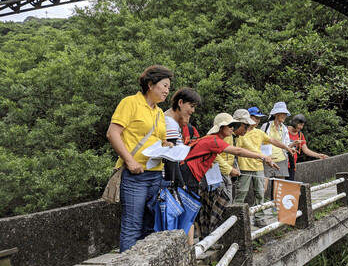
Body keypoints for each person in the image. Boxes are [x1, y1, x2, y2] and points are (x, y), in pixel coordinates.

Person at [179, 113, 278, 243]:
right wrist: (262, 157)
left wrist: (263, 157)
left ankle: (202, 240)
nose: (232, 128)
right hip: (188, 173)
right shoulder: (214, 140)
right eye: (230, 125)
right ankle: (191, 247)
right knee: (191, 209)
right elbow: (238, 151)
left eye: (234, 125)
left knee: (198, 208)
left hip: (193, 174)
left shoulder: (215, 139)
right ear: (221, 127)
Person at [106, 65, 173, 252]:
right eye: (164, 86)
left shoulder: (159, 112)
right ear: (150, 85)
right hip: (135, 175)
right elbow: (113, 133)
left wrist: (167, 146)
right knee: (132, 226)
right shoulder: (130, 103)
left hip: (155, 174)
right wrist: (130, 161)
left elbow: (159, 140)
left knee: (150, 226)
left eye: (169, 87)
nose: (167, 91)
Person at [233, 106, 296, 227]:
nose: (257, 121)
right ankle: (237, 219)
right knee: (241, 192)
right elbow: (243, 148)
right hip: (244, 167)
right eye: (255, 118)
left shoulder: (259, 132)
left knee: (260, 193)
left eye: (259, 118)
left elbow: (272, 140)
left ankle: (259, 218)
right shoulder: (241, 132)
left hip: (258, 167)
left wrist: (286, 147)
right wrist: (263, 156)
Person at [214, 109, 256, 203]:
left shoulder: (236, 136)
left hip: (226, 173)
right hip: (217, 173)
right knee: (222, 203)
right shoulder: (223, 137)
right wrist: (230, 169)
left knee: (228, 201)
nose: (247, 129)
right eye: (246, 126)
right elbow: (215, 156)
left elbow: (249, 148)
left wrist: (264, 157)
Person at [163, 88, 202, 187]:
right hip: (166, 178)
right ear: (180, 102)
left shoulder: (172, 122)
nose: (193, 110)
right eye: (191, 106)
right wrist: (179, 183)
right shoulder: (170, 122)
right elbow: (171, 158)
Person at [260, 102, 297, 183]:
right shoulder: (265, 126)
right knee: (263, 184)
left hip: (281, 158)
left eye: (285, 114)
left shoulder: (284, 129)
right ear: (276, 114)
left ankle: (275, 197)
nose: (284, 116)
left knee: (279, 186)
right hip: (268, 159)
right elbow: (260, 142)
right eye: (282, 113)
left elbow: (286, 144)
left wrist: (292, 145)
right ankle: (263, 196)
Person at [287, 114, 328, 181]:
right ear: (295, 122)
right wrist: (293, 143)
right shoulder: (284, 131)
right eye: (300, 125)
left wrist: (318, 155)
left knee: (289, 186)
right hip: (282, 163)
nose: (301, 127)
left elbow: (305, 149)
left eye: (302, 125)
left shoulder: (300, 134)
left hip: (292, 164)